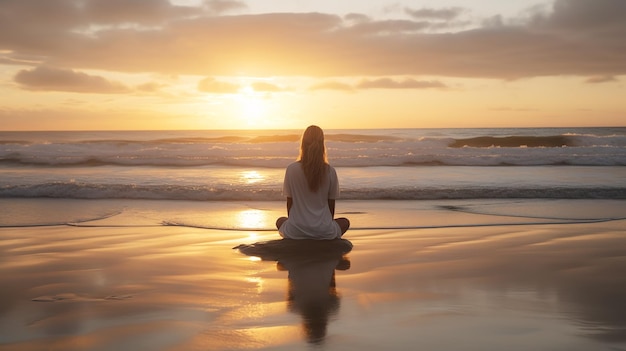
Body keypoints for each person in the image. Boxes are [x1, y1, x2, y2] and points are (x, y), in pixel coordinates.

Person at [276, 125, 350, 239]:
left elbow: (289, 203)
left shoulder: (291, 169)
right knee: (345, 222)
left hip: (296, 231)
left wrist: (296, 225)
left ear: (303, 144)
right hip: (323, 231)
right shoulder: (330, 170)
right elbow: (331, 206)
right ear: (322, 144)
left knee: (280, 221)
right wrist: (325, 226)